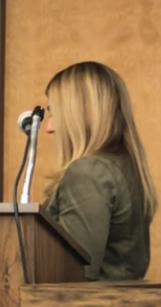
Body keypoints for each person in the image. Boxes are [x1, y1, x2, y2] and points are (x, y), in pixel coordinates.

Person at [42, 61, 157, 280]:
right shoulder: (125, 168)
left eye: (54, 113)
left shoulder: (88, 173)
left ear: (79, 115)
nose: (49, 128)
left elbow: (74, 276)